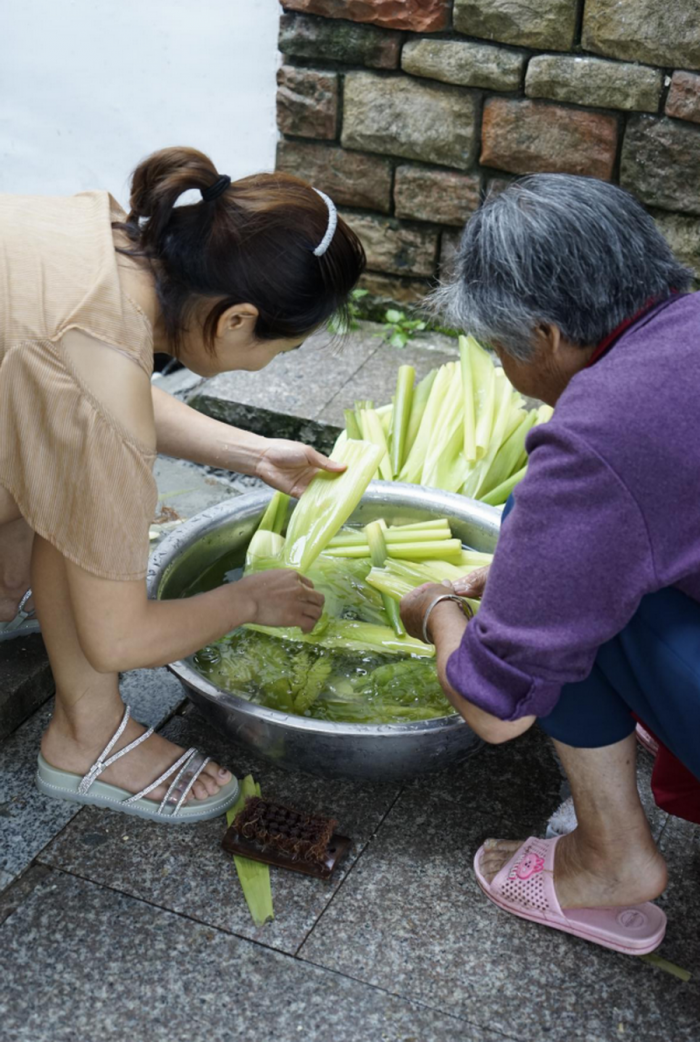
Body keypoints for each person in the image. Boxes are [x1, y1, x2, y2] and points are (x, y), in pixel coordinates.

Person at [0, 146, 364, 822]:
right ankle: (87, 740)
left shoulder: (106, 237)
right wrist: (248, 600)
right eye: (280, 349)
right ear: (237, 320)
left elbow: (72, 382)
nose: (269, 364)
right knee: (80, 501)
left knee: (58, 457)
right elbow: (121, 641)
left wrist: (251, 451)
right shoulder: (102, 400)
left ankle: (6, 582)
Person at [400, 173, 699, 955]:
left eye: (497, 347)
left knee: (537, 544)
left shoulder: (598, 437)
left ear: (544, 336)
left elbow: (497, 716)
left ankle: (609, 861)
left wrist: (438, 612)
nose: (502, 365)